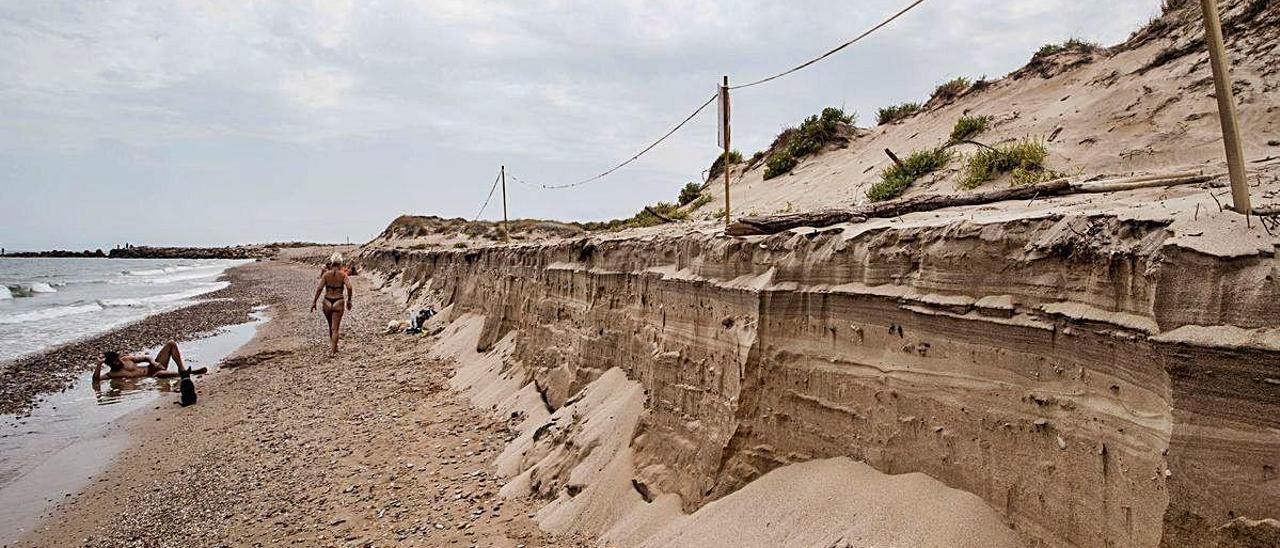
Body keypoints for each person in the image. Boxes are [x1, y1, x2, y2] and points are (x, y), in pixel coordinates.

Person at [92, 341, 205, 381]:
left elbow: (145, 358)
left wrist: (154, 362)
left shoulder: (126, 359)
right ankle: (190, 373)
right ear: (110, 365)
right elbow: (96, 379)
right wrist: (99, 364)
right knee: (160, 374)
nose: (118, 362)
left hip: (154, 367)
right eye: (115, 363)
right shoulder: (112, 374)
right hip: (154, 374)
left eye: (117, 360)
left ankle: (182, 369)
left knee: (171, 343)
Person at [312, 252, 353, 354]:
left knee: (330, 326)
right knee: (335, 328)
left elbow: (319, 289)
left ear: (331, 263)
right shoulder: (343, 275)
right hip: (338, 301)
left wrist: (314, 302)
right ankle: (334, 350)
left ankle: (333, 346)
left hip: (327, 301)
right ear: (340, 264)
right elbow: (349, 287)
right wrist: (349, 300)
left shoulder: (326, 275)